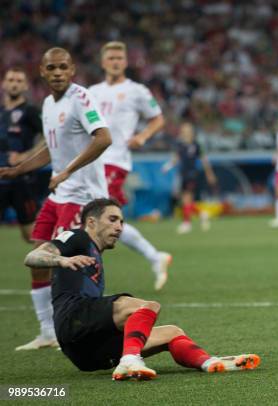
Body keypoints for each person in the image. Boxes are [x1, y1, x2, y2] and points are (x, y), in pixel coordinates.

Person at [23, 198, 260, 379]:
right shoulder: (78, 237)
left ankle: (208, 362)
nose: (119, 227)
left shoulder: (94, 253)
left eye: (122, 222)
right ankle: (130, 359)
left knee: (172, 332)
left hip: (85, 352)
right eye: (113, 219)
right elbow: (33, 256)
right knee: (145, 307)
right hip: (73, 321)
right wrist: (61, 260)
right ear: (91, 222)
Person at [0, 48, 112, 351]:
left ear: (72, 69)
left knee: (72, 265)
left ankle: (89, 329)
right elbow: (52, 148)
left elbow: (103, 138)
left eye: (64, 67)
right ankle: (48, 331)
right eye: (52, 68)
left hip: (81, 196)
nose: (59, 72)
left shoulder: (82, 98)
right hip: (59, 194)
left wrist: (66, 172)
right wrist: (18, 169)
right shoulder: (48, 104)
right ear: (43, 71)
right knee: (40, 257)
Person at [89, 41, 171, 291]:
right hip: (90, 161)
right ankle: (155, 257)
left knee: (99, 216)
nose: (115, 61)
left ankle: (89, 273)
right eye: (110, 57)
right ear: (103, 62)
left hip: (115, 160)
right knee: (103, 218)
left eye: (119, 58)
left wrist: (143, 137)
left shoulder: (137, 90)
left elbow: (158, 119)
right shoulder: (91, 91)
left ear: (125, 62)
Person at [0, 68, 43, 243]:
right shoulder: (1, 112)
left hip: (21, 181)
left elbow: (49, 137)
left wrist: (27, 155)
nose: (14, 84)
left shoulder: (30, 111)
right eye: (11, 80)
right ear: (4, 84)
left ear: (25, 86)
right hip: (1, 179)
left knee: (31, 236)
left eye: (19, 81)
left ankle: (53, 263)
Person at [163, 122, 217, 234]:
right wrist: (167, 166)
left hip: (192, 174)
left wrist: (209, 174)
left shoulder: (197, 145)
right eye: (183, 130)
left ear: (191, 132)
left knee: (187, 198)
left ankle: (187, 224)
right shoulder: (179, 145)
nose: (185, 132)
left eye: (187, 130)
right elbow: (176, 158)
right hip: (183, 174)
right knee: (185, 200)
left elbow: (204, 160)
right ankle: (202, 214)